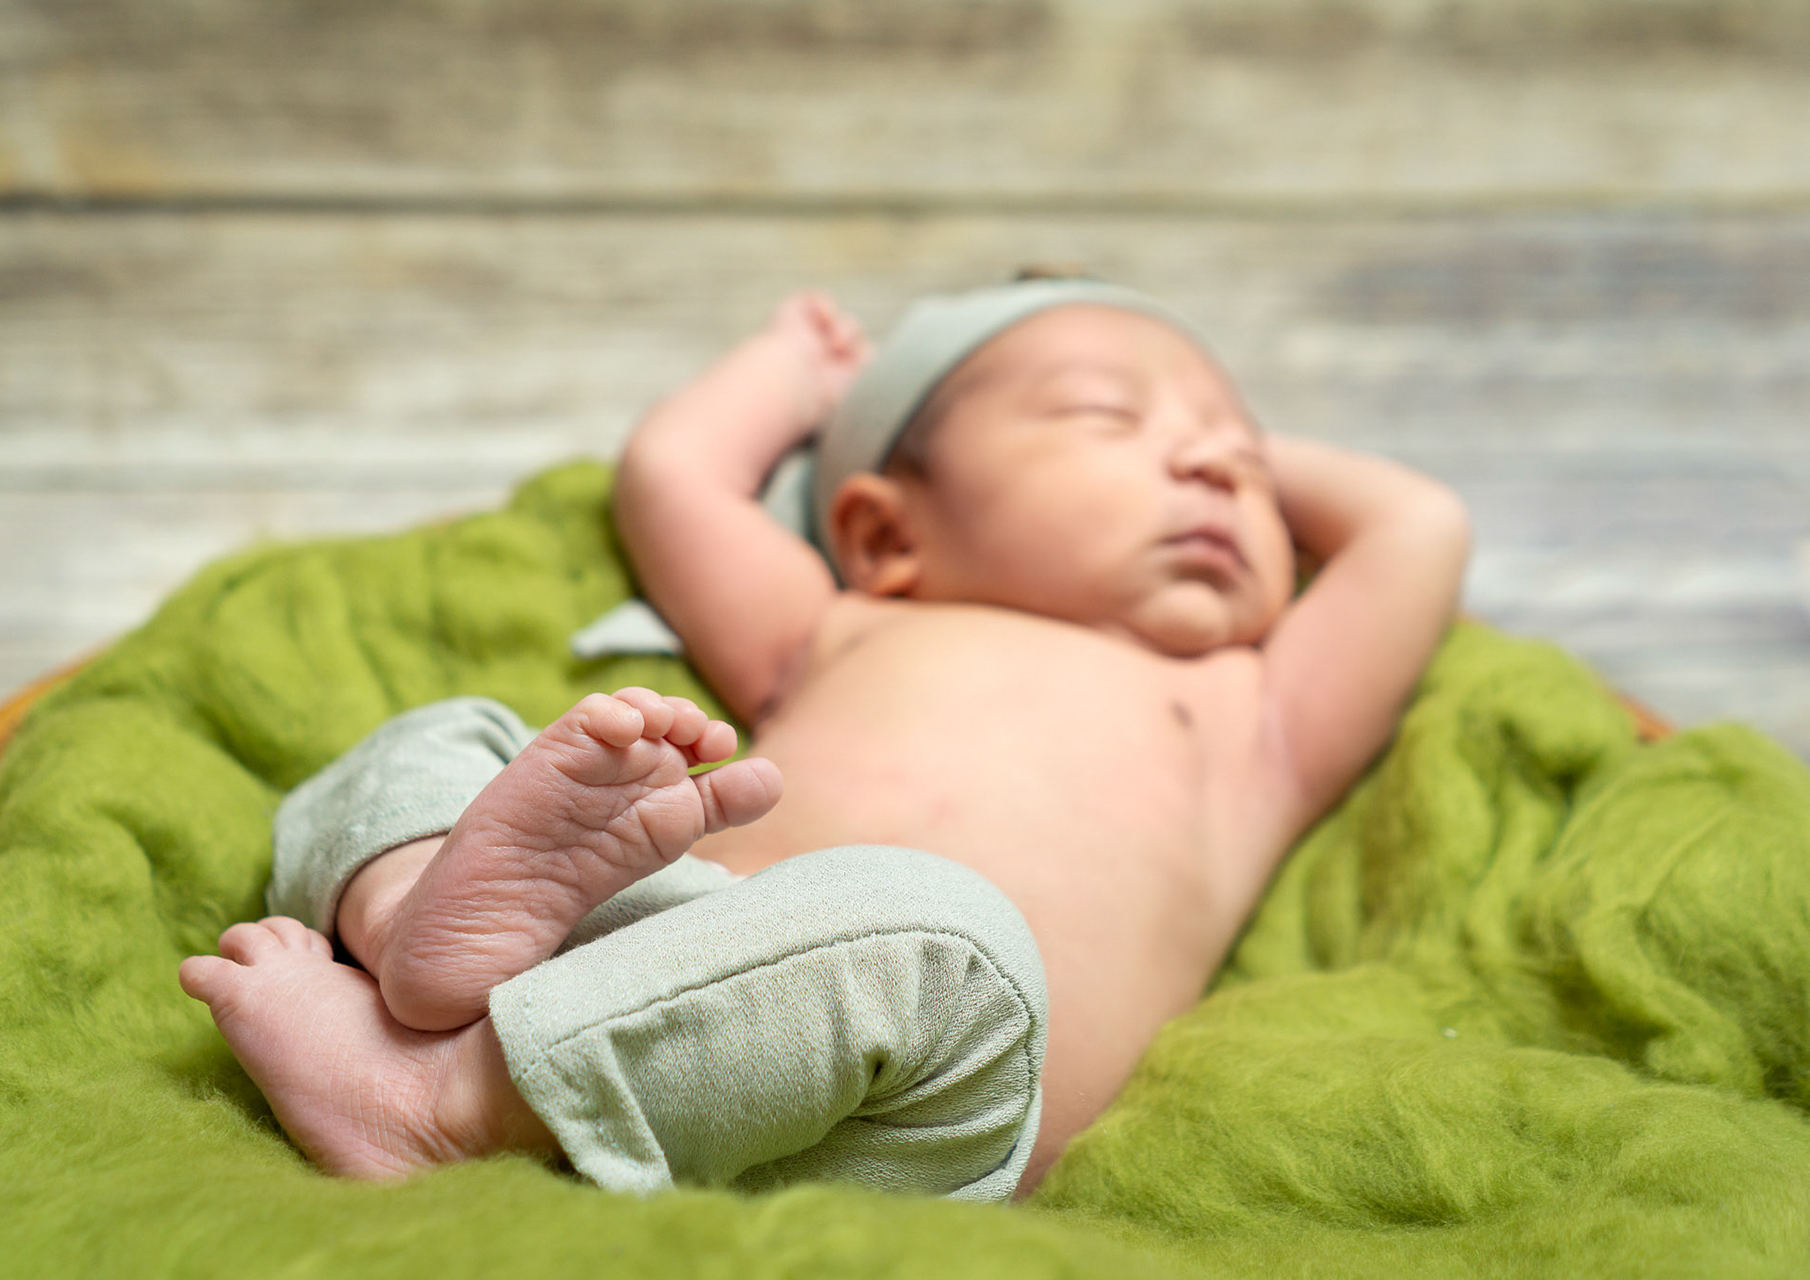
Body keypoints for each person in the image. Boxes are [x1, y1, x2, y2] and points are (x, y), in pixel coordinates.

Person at [178, 278, 1471, 1201]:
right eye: (1105, 417)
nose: (1212, 468)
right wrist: (789, 370)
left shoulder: (1260, 715)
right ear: (887, 532)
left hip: (916, 1102)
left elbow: (1418, 525)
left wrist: (1191, 419)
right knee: (448, 736)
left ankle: (446, 1110)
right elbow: (676, 475)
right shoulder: (843, 621)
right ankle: (420, 927)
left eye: (1245, 460)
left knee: (936, 935)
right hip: (651, 938)